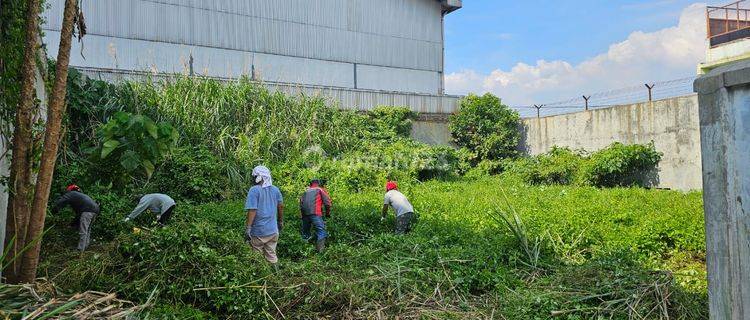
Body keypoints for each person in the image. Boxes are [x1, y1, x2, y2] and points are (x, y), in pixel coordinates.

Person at [244, 165, 284, 268]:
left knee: (257, 257)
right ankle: (276, 278)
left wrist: (248, 228)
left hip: (259, 232)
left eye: (254, 176)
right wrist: (280, 222)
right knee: (272, 255)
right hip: (273, 231)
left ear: (259, 177)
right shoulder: (275, 189)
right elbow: (280, 207)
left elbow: (252, 210)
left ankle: (261, 277)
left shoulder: (254, 190)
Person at [51, 184, 100, 251]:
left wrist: (54, 210)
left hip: (87, 210)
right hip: (95, 210)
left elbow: (62, 201)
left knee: (83, 231)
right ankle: (85, 247)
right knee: (87, 230)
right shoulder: (81, 197)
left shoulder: (72, 194)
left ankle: (80, 250)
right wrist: (72, 224)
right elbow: (79, 215)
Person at [299, 179, 332, 252]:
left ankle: (303, 251)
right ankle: (320, 252)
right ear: (318, 184)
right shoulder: (320, 189)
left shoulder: (305, 192)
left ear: (310, 184)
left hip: (305, 214)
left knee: (305, 233)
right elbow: (327, 203)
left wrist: (302, 215)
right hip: (315, 213)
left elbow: (301, 204)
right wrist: (327, 214)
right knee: (321, 231)